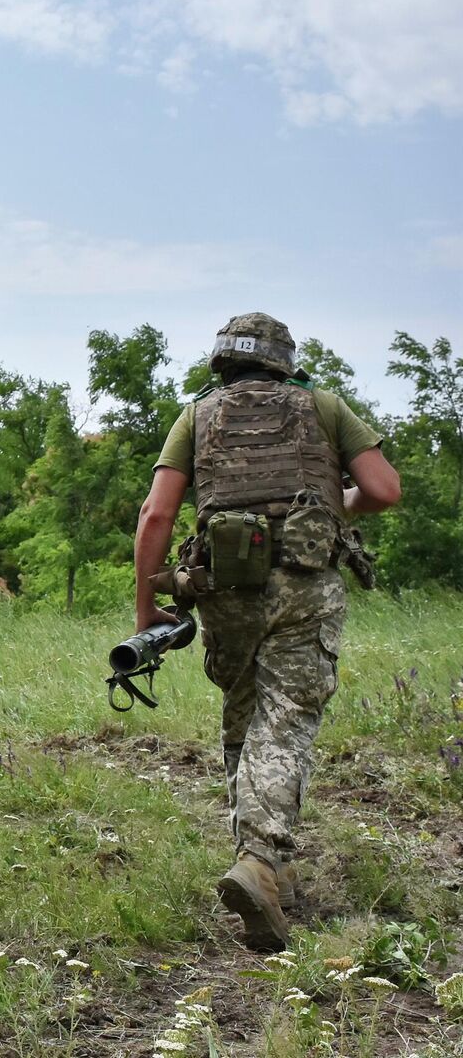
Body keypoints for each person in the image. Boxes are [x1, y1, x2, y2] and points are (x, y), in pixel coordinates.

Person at [133, 313, 400, 953]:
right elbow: (384, 490)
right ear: (285, 361)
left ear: (222, 362)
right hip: (306, 588)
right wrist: (339, 506)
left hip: (225, 587)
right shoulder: (325, 406)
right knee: (285, 721)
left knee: (244, 717)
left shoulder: (195, 416)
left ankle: (264, 869)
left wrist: (147, 611)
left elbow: (157, 514)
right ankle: (258, 859)